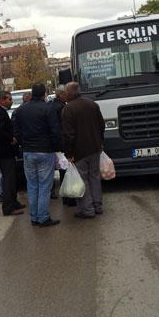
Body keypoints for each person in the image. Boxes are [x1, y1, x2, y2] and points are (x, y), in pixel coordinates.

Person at [14, 83, 61, 227]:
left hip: (28, 152)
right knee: (44, 186)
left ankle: (34, 217)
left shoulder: (21, 110)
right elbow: (55, 131)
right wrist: (57, 148)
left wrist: (23, 144)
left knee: (32, 185)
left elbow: (16, 131)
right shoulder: (48, 108)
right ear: (44, 93)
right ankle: (43, 217)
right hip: (45, 151)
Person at [62, 82, 105, 219]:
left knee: (82, 179)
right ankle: (97, 206)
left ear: (69, 93)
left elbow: (69, 135)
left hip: (79, 151)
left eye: (65, 92)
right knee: (95, 177)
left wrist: (69, 154)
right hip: (95, 148)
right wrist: (100, 142)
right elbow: (101, 125)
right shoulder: (92, 104)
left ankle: (87, 209)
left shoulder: (68, 110)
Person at [0, 90, 24, 216]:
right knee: (8, 179)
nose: (11, 101)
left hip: (3, 151)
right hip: (4, 151)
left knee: (11, 178)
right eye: (9, 99)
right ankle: (8, 207)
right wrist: (10, 139)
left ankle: (13, 202)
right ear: (2, 100)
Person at [49, 85, 77, 206]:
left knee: (62, 170)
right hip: (62, 143)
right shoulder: (61, 108)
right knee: (65, 170)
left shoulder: (52, 106)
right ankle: (69, 197)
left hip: (56, 144)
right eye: (66, 94)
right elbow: (64, 126)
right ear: (61, 95)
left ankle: (65, 196)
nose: (68, 95)